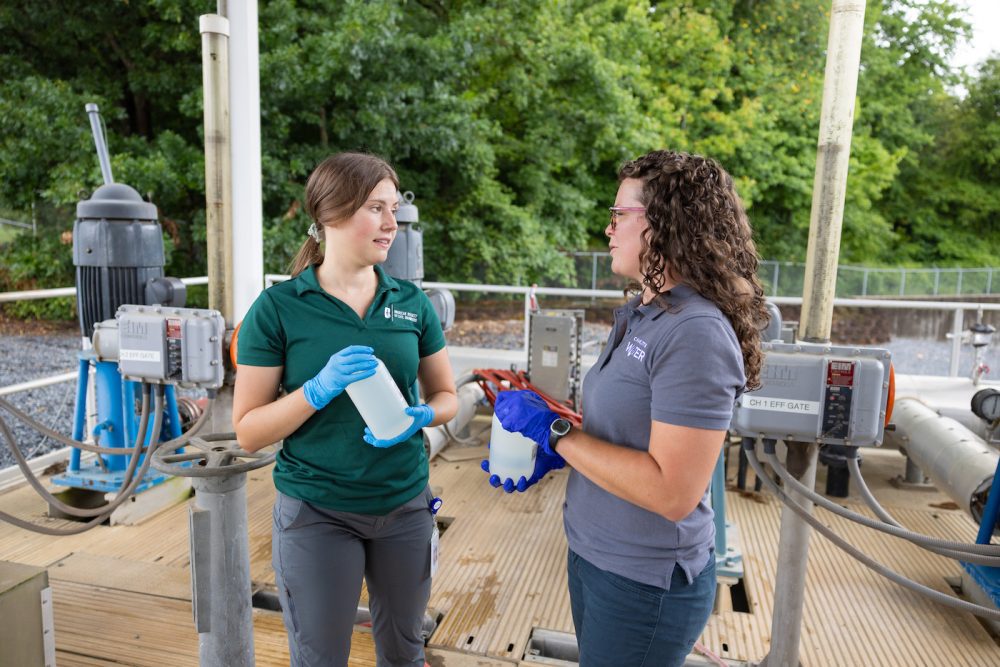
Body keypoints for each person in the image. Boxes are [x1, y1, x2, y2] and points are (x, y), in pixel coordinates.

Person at [485, 150, 768, 667]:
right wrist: (560, 449)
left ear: (663, 225)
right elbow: (621, 430)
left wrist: (555, 433)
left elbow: (672, 491)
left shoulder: (695, 332)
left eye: (620, 215)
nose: (608, 228)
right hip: (595, 554)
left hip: (643, 582)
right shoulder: (647, 311)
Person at [233, 152, 458, 667]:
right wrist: (316, 389)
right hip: (317, 511)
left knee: (405, 654)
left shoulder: (411, 303)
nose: (391, 223)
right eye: (375, 208)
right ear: (330, 214)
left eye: (393, 209)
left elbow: (445, 395)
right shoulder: (280, 308)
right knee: (321, 658)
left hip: (404, 504)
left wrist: (422, 416)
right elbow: (247, 432)